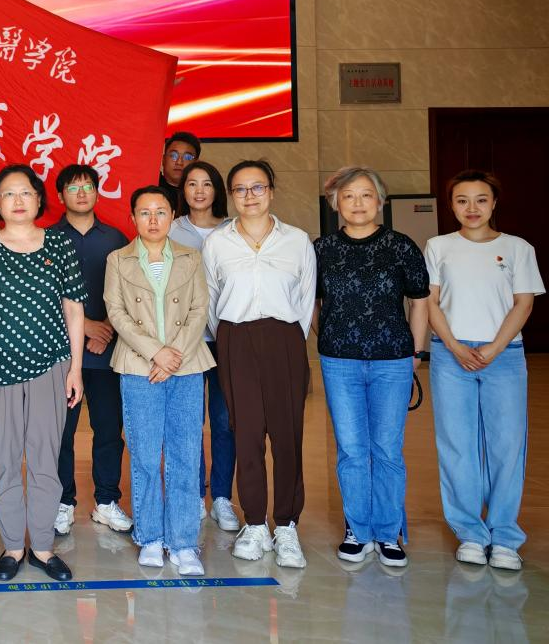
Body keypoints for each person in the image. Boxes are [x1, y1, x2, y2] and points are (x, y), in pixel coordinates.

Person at [0, 164, 85, 583]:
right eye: (9, 194)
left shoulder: (60, 244)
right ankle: (14, 545)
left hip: (52, 367)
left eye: (26, 192)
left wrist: (76, 369)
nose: (18, 200)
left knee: (46, 458)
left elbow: (74, 309)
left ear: (39, 199)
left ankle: (44, 547)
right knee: (4, 459)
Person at [426, 169, 543, 571]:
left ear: (494, 203)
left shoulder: (517, 248)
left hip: (504, 356)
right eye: (462, 200)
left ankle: (505, 536)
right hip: (450, 354)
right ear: (451, 205)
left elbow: (523, 303)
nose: (471, 208)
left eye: (480, 199)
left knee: (506, 447)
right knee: (457, 445)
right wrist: (455, 346)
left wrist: (494, 348)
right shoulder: (438, 246)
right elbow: (430, 303)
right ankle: (471, 535)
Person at [314, 166, 430, 568]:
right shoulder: (322, 249)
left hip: (393, 361)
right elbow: (313, 302)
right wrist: (329, 335)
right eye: (348, 196)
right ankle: (358, 530)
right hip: (339, 362)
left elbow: (419, 300)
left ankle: (388, 532)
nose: (358, 203)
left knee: (387, 450)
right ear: (336, 204)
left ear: (380, 201)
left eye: (366, 195)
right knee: (351, 449)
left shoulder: (401, 246)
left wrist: (416, 353)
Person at [202, 159, 315, 568]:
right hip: (234, 339)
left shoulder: (297, 240)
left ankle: (286, 525)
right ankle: (254, 523)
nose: (249, 196)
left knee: (287, 436)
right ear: (231, 195)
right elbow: (211, 301)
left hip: (285, 339)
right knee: (245, 433)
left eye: (258, 187)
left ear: (271, 190)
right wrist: (230, 340)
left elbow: (306, 300)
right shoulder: (218, 242)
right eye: (240, 189)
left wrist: (287, 340)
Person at [105, 186, 212, 576]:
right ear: (133, 217)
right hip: (139, 366)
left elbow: (200, 308)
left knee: (185, 455)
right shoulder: (118, 259)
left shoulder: (190, 257)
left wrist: (173, 355)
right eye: (145, 212)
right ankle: (150, 537)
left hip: (186, 365)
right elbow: (116, 312)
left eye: (161, 212)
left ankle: (183, 543)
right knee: (146, 456)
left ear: (172, 216)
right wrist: (156, 353)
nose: (153, 220)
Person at [51, 164, 131, 537]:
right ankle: (62, 501)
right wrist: (86, 329)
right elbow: (42, 296)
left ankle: (106, 501)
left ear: (98, 193)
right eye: (73, 187)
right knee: (60, 431)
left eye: (88, 187)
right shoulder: (47, 239)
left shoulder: (116, 238)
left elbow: (131, 293)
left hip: (107, 353)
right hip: (61, 353)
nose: (81, 193)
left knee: (109, 429)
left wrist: (106, 329)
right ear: (60, 195)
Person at [170, 160, 239, 533]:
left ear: (217, 190)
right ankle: (194, 493)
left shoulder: (233, 230)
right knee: (189, 422)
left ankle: (222, 497)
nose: (199, 191)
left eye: (207, 184)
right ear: (183, 190)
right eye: (192, 184)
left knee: (225, 421)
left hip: (226, 339)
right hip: (186, 341)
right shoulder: (171, 228)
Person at [158, 131, 201, 212]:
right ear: (163, 160)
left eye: (187, 157)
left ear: (196, 163)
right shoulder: (150, 185)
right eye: (173, 155)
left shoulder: (202, 195)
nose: (179, 162)